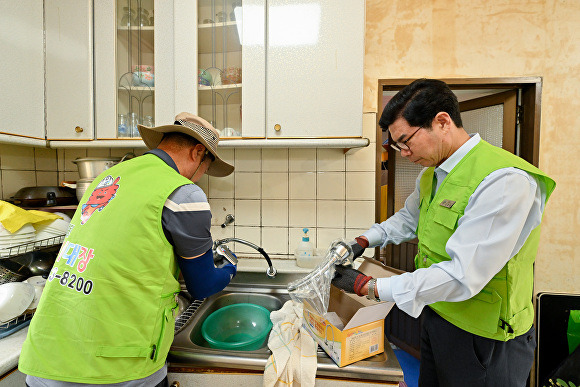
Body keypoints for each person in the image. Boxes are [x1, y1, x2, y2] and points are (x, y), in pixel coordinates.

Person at [331, 79, 556, 387]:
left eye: (405, 141)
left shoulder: (504, 181)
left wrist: (369, 287)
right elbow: (408, 219)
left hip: (486, 338)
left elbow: (462, 275)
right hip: (439, 316)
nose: (404, 153)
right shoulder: (432, 175)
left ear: (442, 121)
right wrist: (365, 240)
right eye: (397, 145)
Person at [19, 113, 236, 387]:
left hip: (47, 356)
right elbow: (203, 286)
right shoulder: (184, 193)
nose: (202, 176)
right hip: (116, 364)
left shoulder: (108, 178)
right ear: (198, 152)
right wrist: (230, 268)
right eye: (206, 166)